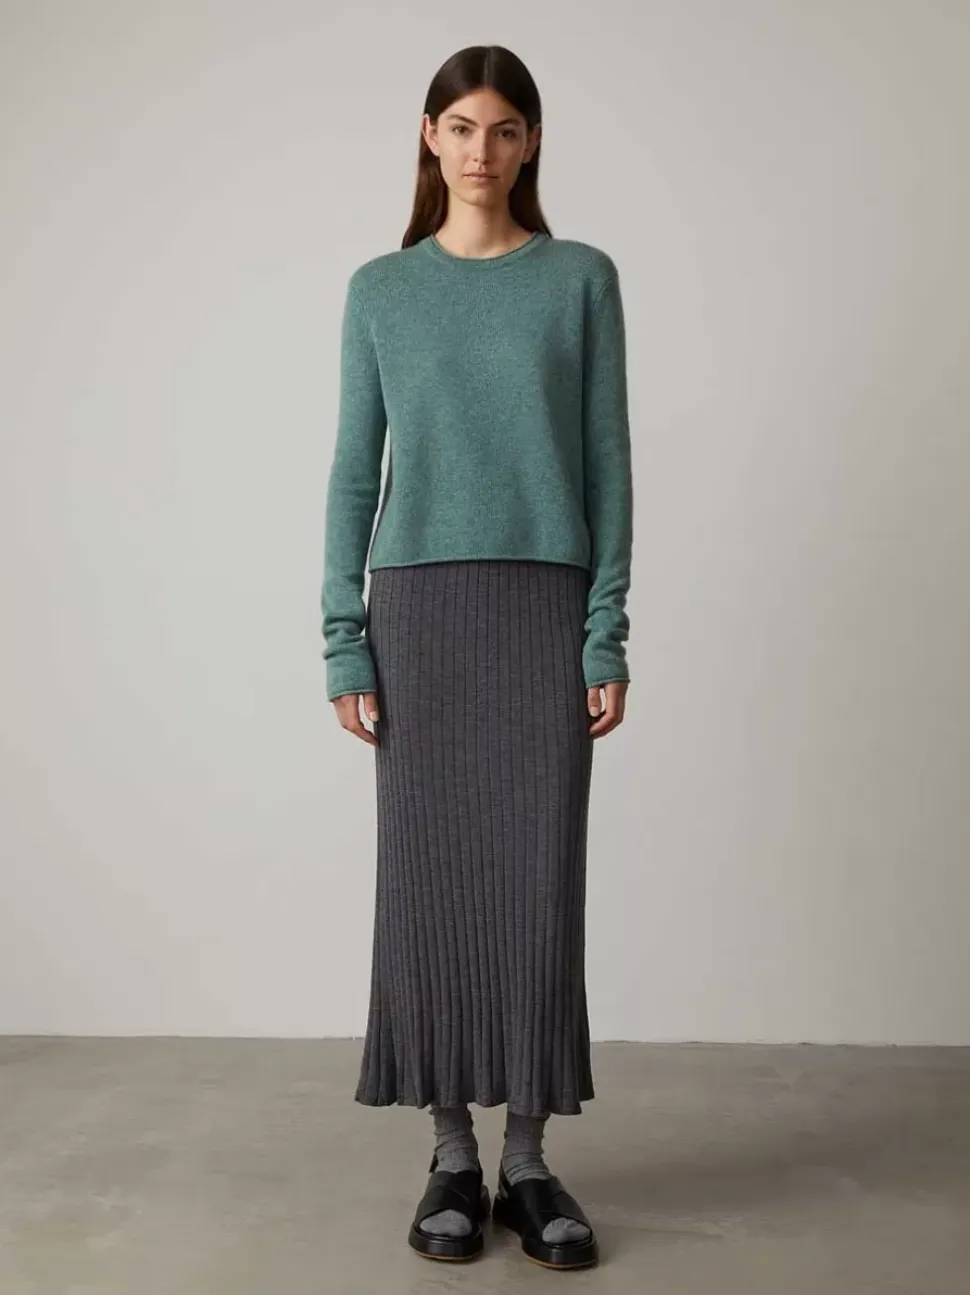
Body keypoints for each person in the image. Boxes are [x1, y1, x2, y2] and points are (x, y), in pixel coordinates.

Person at [320, 44, 633, 1271]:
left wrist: (603, 626)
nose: (480, 151)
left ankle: (530, 1162)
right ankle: (452, 1153)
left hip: (541, 606)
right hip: (420, 614)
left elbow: (606, 464)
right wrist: (344, 640)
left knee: (537, 885)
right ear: (428, 137)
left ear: (531, 142)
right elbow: (355, 472)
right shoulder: (381, 289)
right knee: (431, 885)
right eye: (460, 127)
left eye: (503, 129)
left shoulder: (581, 279)